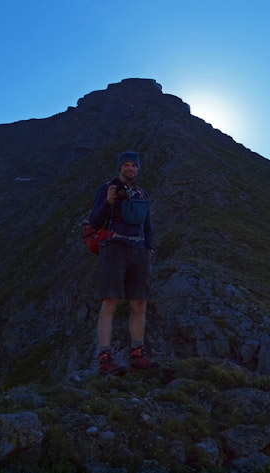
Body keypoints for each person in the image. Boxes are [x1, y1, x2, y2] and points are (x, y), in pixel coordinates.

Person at [89, 151, 157, 375]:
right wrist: (108, 202)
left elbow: (146, 223)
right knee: (110, 302)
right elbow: (94, 221)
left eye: (133, 166)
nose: (130, 169)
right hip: (114, 249)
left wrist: (149, 248)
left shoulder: (141, 193)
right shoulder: (108, 189)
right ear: (120, 168)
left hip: (138, 251)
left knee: (139, 303)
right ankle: (104, 359)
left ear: (138, 169)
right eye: (126, 165)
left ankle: (137, 354)